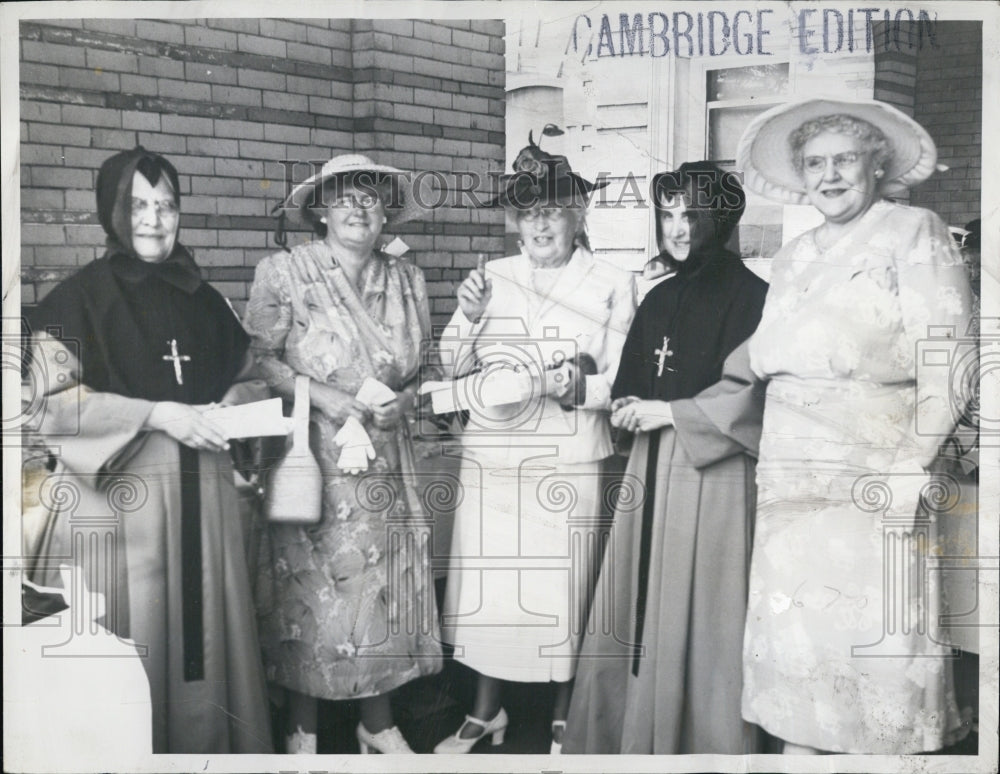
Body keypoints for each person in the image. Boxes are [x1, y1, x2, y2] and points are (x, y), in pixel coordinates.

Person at [735, 98, 974, 753]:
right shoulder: (791, 256)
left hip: (877, 475)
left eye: (844, 159)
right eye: (815, 163)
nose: (830, 175)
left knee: (876, 651)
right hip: (790, 480)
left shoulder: (912, 230)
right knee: (799, 643)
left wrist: (911, 463)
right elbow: (763, 357)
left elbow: (951, 361)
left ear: (877, 163)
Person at [25, 147, 273, 754]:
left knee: (208, 648)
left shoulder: (206, 300)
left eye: (166, 205)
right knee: (132, 647)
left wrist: (230, 408)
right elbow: (53, 404)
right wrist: (156, 414)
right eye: (137, 205)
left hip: (206, 507)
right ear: (112, 212)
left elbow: (253, 377)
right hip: (119, 509)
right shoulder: (73, 301)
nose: (154, 219)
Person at [434, 134, 637, 754]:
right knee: (493, 587)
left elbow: (623, 377)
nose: (541, 222)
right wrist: (467, 317)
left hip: (567, 455)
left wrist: (582, 387)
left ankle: (561, 714)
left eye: (553, 209)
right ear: (515, 223)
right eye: (529, 212)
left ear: (578, 215)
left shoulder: (610, 280)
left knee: (560, 586)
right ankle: (484, 710)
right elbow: (449, 366)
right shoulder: (491, 277)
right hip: (495, 457)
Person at [561, 162, 769, 754]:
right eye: (668, 214)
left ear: (722, 219)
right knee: (635, 607)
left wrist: (670, 414)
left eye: (691, 214)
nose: (677, 228)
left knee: (705, 615)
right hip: (650, 471)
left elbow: (753, 400)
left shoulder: (756, 298)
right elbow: (632, 384)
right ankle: (632, 740)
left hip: (716, 479)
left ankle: (704, 746)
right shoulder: (660, 296)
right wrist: (629, 406)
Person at [245, 154, 442, 754]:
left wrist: (406, 404)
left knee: (382, 589)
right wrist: (323, 396)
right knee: (310, 594)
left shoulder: (407, 277)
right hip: (316, 459)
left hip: (388, 455)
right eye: (344, 197)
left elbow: (426, 367)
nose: (358, 208)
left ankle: (376, 723)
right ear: (320, 209)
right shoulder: (284, 272)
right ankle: (301, 727)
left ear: (386, 211)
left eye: (370, 197)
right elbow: (260, 359)